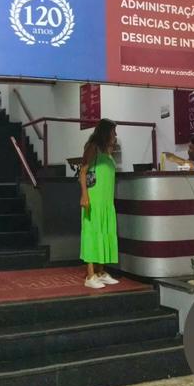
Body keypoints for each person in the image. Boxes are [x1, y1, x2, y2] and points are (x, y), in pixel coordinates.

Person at [79, 119, 120, 289]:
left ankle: (101, 272)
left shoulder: (108, 150)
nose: (115, 135)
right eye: (113, 132)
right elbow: (83, 171)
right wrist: (84, 195)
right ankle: (90, 276)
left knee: (104, 232)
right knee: (92, 233)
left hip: (106, 200)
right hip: (94, 198)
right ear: (105, 132)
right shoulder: (93, 147)